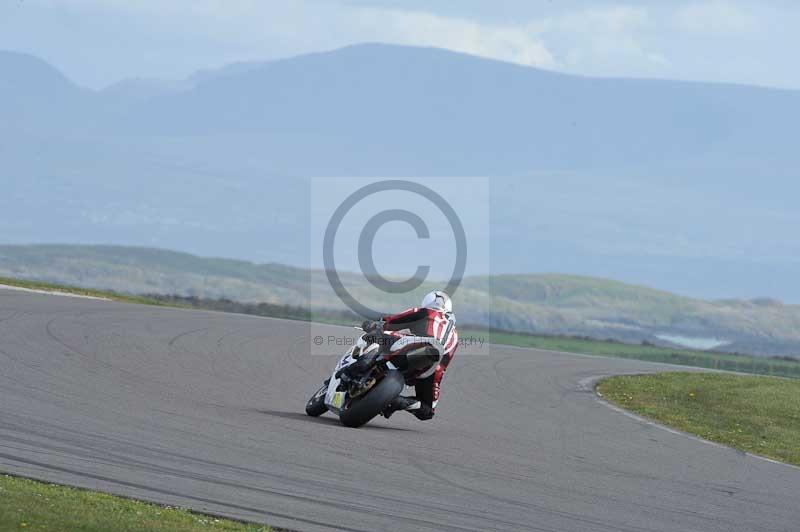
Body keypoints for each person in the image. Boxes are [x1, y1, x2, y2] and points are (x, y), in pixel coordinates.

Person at [360, 290, 458, 421]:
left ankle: (361, 365)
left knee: (375, 336)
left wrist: (375, 325)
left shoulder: (426, 312)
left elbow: (393, 322)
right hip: (432, 368)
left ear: (428, 302)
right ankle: (399, 401)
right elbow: (442, 365)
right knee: (427, 411)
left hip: (416, 345)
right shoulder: (455, 336)